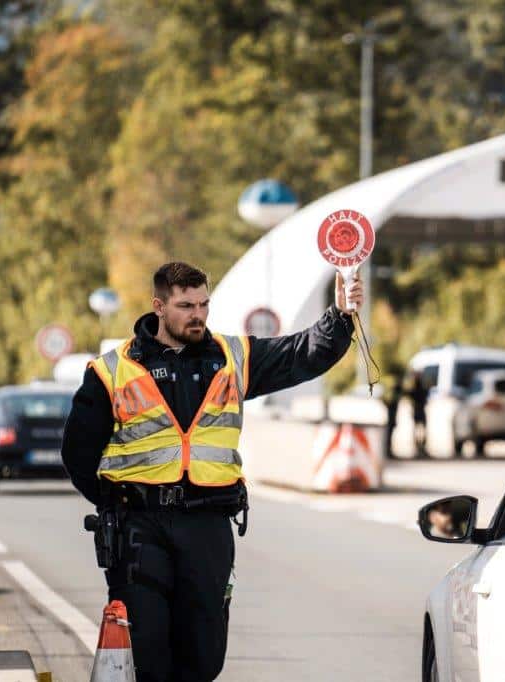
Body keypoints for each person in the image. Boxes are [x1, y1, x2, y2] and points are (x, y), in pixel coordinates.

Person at [61, 261, 362, 681]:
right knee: (147, 651)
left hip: (207, 524)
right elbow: (77, 454)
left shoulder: (232, 357)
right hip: (139, 527)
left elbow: (303, 353)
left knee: (203, 655)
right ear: (159, 307)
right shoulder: (112, 371)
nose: (198, 314)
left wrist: (341, 316)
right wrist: (115, 503)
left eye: (204, 304)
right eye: (186, 305)